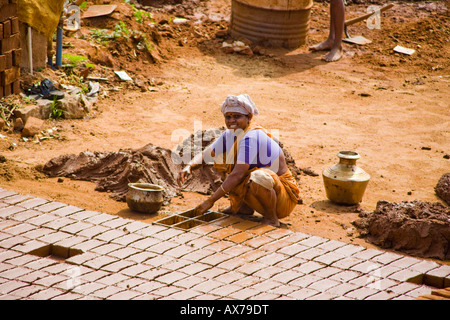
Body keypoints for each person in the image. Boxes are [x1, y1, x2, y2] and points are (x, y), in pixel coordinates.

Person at [177, 94, 300, 227]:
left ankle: (271, 218)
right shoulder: (230, 135)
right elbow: (206, 154)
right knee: (222, 159)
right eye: (228, 117)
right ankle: (243, 208)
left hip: (282, 198)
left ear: (249, 117)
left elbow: (237, 175)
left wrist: (210, 201)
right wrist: (189, 166)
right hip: (262, 191)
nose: (231, 121)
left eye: (237, 116)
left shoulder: (251, 137)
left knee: (258, 176)